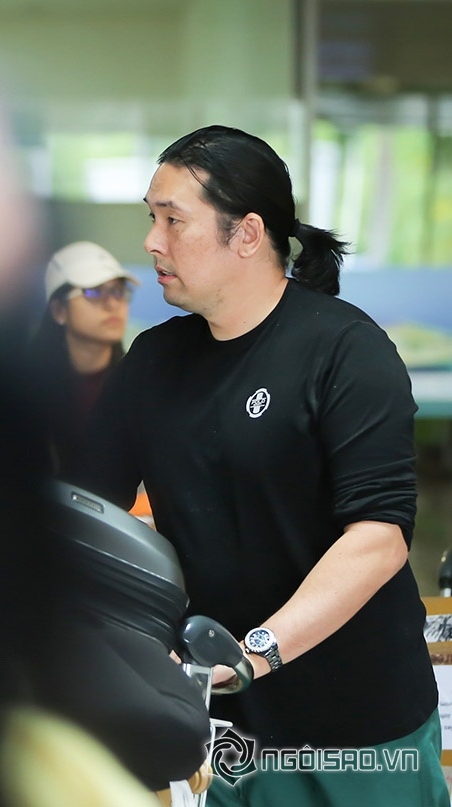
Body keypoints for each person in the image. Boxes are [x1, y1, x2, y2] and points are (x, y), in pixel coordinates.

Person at [79, 125, 450, 806]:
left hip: (359, 730)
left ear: (247, 234)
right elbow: (85, 512)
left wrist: (252, 654)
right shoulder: (154, 362)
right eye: (151, 218)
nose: (152, 241)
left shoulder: (345, 350)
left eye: (172, 220)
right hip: (226, 732)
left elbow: (377, 539)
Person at [29, 240, 139, 479]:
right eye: (93, 291)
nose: (112, 304)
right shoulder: (26, 389)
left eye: (118, 291)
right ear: (58, 310)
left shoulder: (139, 384)